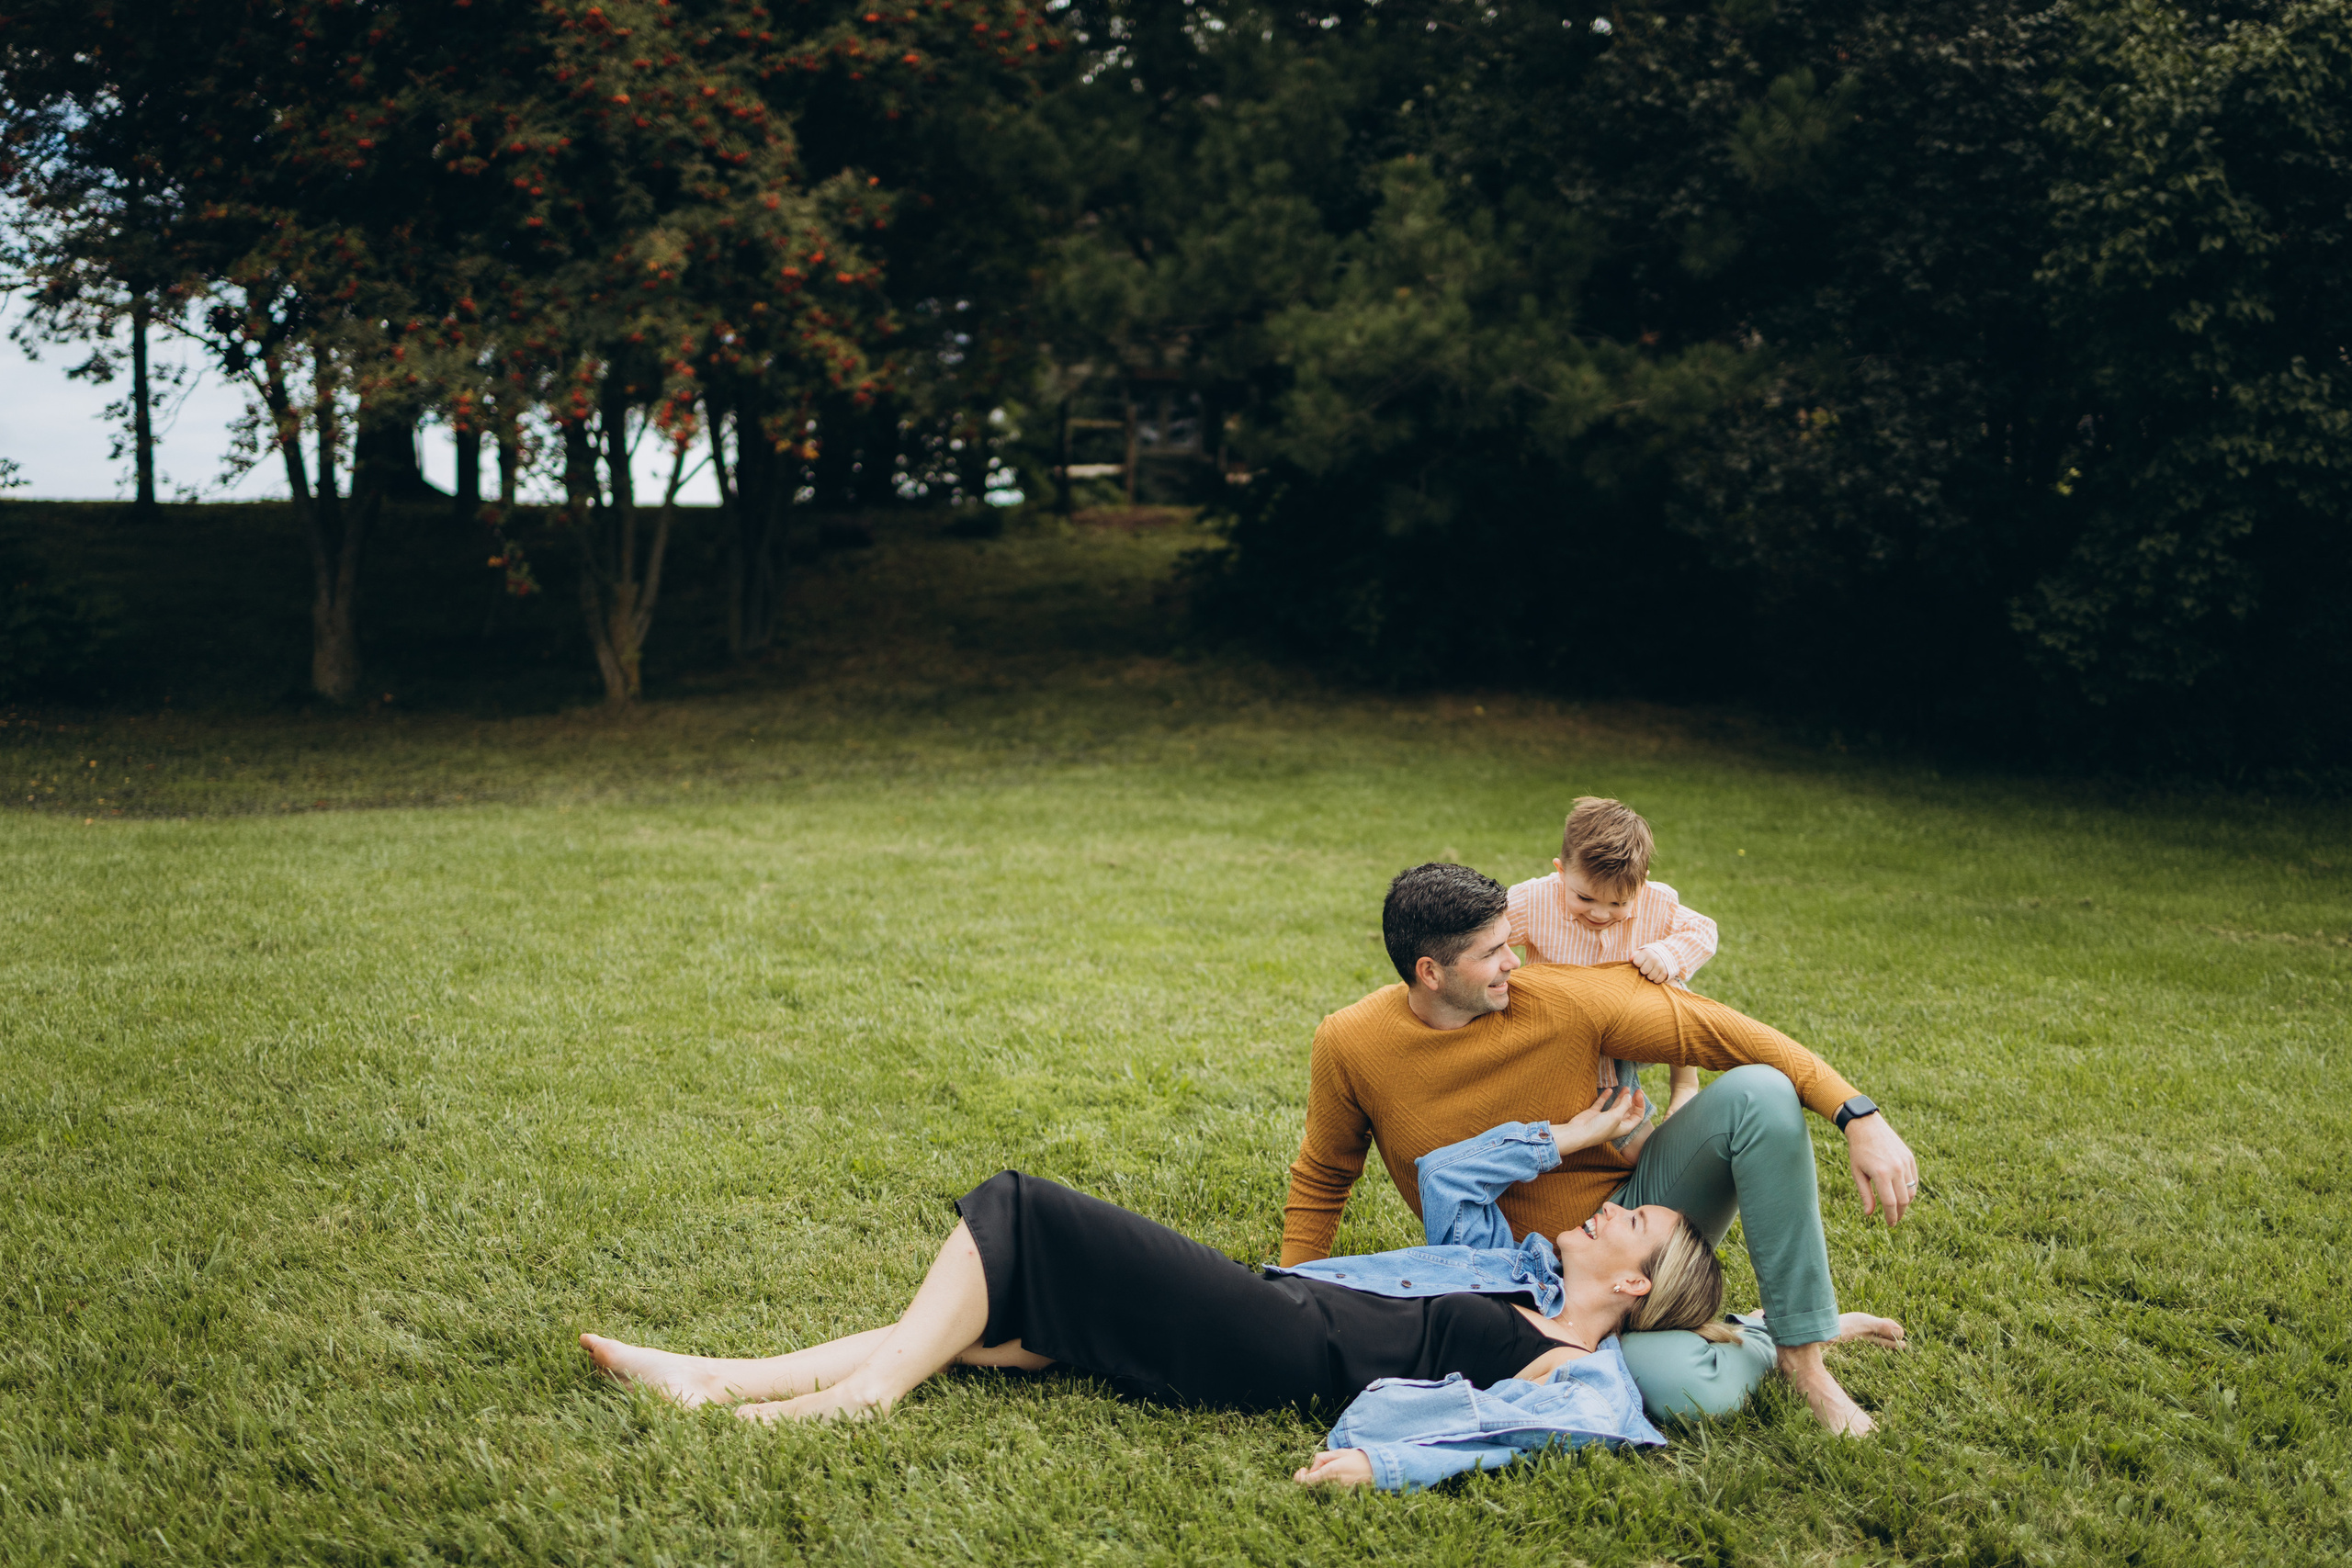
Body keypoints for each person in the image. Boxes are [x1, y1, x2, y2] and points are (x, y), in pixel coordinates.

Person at [582, 1094, 1745, 1493]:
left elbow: (1509, 1437)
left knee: (1024, 1208)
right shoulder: (1507, 1267)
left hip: (1283, 1344)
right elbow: (1449, 1173)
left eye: (1631, 1220)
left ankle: (859, 1400)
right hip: (1267, 1308)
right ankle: (715, 1380)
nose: (1609, 1206)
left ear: (1632, 1282)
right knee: (991, 1320)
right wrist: (1566, 1134)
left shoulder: (1575, 1370)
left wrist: (1382, 1465)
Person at [1283, 863, 1921, 1434]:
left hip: (1632, 1216)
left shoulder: (1564, 999)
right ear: (1431, 971)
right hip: (1519, 1286)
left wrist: (1858, 1115)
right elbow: (1324, 1175)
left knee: (1760, 1093)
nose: (1515, 961)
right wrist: (1294, 1296)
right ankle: (1755, 1332)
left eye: (1510, 940)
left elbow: (1729, 1033)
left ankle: (1804, 1357)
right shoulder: (1351, 1041)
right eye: (1494, 951)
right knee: (1684, 1387)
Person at [1504, 795, 1717, 1156]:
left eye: (1619, 903)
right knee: (1634, 1147)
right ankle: (1630, 1137)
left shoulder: (1657, 902)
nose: (1601, 914)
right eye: (1585, 898)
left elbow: (1703, 930)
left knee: (1674, 986)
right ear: (1561, 871)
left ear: (1641, 885)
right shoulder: (1533, 901)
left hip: (1632, 1027)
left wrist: (1667, 954)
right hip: (1564, 1032)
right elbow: (1484, 936)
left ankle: (1684, 1084)